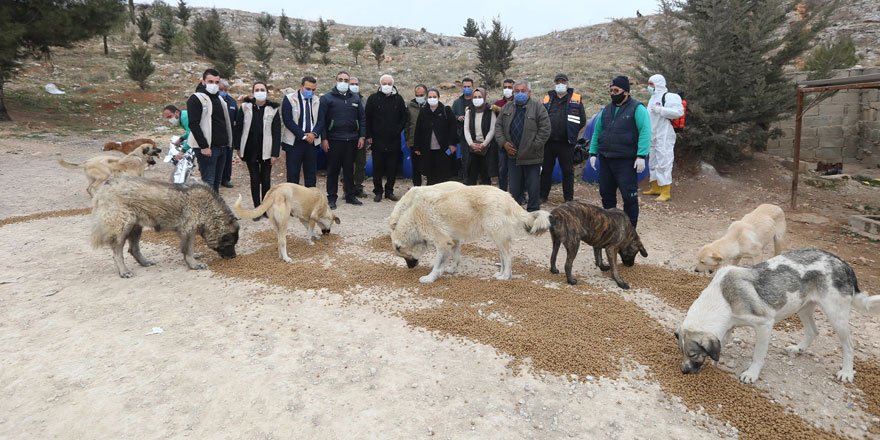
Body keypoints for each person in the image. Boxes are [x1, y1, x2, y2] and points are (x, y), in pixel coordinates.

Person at [588, 75, 651, 227]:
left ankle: (630, 229)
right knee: (606, 194)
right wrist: (593, 153)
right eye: (611, 90)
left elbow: (645, 131)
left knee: (629, 196)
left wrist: (641, 155)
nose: (613, 93)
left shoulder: (637, 108)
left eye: (616, 90)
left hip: (626, 160)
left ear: (626, 92)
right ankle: (611, 226)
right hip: (606, 158)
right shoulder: (606, 110)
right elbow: (597, 131)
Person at [495, 80, 551, 212]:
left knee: (533, 188)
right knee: (514, 189)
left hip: (532, 157)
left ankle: (533, 214)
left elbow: (545, 129)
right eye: (517, 91)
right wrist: (504, 143)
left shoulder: (538, 108)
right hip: (512, 156)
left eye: (523, 91)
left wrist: (533, 146)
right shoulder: (506, 108)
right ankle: (516, 214)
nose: (520, 94)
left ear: (529, 93)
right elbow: (498, 127)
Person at [317, 71, 366, 209]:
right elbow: (322, 120)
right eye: (341, 79)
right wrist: (324, 139)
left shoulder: (355, 98)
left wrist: (361, 136)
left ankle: (350, 195)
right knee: (333, 169)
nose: (343, 82)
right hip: (334, 140)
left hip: (351, 139)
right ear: (336, 80)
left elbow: (362, 118)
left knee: (349, 169)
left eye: (346, 80)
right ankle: (332, 197)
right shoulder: (327, 99)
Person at [233, 82, 281, 218]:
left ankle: (265, 209)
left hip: (266, 148)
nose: (260, 92)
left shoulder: (273, 109)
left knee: (266, 180)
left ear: (267, 92)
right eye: (257, 90)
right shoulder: (245, 107)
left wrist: (275, 153)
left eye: (262, 89)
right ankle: (256, 210)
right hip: (249, 149)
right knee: (254, 179)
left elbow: (276, 132)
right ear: (253, 92)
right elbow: (238, 128)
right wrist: (237, 147)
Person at [186, 68, 233, 192]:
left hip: (222, 147)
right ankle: (207, 210)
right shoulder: (196, 99)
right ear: (203, 81)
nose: (214, 85)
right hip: (208, 148)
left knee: (216, 183)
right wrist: (204, 146)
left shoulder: (219, 99)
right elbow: (194, 124)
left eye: (216, 82)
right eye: (210, 81)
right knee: (208, 183)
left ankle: (215, 210)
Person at [541, 73, 586, 203]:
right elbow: (541, 116)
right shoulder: (547, 98)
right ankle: (542, 196)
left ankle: (568, 198)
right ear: (554, 83)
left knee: (568, 171)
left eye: (563, 81)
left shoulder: (576, 98)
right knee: (546, 170)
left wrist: (572, 131)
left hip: (566, 142)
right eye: (558, 81)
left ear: (567, 83)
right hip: (548, 142)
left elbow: (582, 119)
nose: (560, 84)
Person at [365, 74, 408, 202]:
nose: (387, 86)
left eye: (389, 84)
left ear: (393, 85)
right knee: (377, 167)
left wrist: (397, 130)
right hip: (377, 139)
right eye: (384, 83)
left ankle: (389, 191)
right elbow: (367, 118)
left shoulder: (398, 99)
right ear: (380, 84)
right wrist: (369, 135)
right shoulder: (373, 99)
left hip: (393, 140)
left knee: (392, 167)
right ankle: (378, 191)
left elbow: (403, 118)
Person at [642, 74, 684, 202]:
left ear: (658, 84)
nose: (649, 87)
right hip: (653, 134)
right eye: (649, 84)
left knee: (664, 160)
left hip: (664, 134)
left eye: (651, 84)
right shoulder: (652, 98)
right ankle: (655, 187)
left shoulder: (670, 97)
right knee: (653, 161)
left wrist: (661, 110)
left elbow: (678, 112)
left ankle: (665, 191)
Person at [281, 76, 322, 187]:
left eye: (313, 90)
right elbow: (288, 120)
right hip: (294, 142)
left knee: (311, 175)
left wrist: (313, 134)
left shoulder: (317, 100)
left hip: (312, 142)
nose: (311, 92)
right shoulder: (289, 99)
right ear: (301, 87)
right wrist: (303, 136)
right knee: (293, 175)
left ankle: (309, 201)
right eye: (308, 89)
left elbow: (321, 120)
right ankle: (293, 202)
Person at [413, 88, 458, 185]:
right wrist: (417, 147)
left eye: (434, 97)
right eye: (430, 97)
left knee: (443, 174)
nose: (432, 98)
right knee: (430, 174)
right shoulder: (423, 112)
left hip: (443, 149)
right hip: (427, 149)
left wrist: (452, 143)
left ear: (438, 97)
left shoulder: (446, 111)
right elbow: (418, 130)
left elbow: (453, 128)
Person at [463, 88, 496, 185]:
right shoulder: (469, 111)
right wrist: (471, 144)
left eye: (480, 97)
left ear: (484, 97)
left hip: (487, 149)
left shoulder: (490, 110)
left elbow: (492, 129)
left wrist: (484, 144)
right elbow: (466, 129)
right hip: (472, 148)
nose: (477, 99)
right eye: (475, 97)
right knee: (471, 177)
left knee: (486, 177)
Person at [492, 78, 515, 191]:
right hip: (502, 142)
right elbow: (496, 125)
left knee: (517, 169)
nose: (507, 89)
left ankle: (519, 193)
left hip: (516, 141)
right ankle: (502, 191)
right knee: (502, 169)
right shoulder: (497, 104)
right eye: (505, 87)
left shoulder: (519, 102)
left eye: (510, 87)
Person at [451, 77, 475, 181]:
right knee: (464, 157)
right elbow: (452, 116)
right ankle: (465, 177)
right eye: (465, 86)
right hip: (462, 134)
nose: (467, 88)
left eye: (469, 86)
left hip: (475, 133)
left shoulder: (477, 100)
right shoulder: (457, 102)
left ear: (473, 87)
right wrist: (458, 117)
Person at [349, 76, 369, 198]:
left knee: (361, 163)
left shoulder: (364, 100)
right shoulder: (342, 99)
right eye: (351, 83)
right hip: (346, 136)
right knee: (346, 164)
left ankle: (358, 187)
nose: (354, 86)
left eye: (356, 83)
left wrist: (364, 136)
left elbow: (366, 119)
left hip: (361, 136)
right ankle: (347, 187)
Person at [405, 84, 428, 186]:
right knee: (416, 167)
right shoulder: (410, 106)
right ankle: (417, 187)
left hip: (428, 142)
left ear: (426, 94)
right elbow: (407, 124)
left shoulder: (430, 105)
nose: (419, 97)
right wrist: (407, 139)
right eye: (417, 95)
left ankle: (430, 187)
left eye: (421, 95)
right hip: (414, 141)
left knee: (428, 165)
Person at [219, 78, 238, 188]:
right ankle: (216, 178)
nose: (223, 92)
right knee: (217, 158)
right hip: (216, 136)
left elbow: (237, 120)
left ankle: (226, 179)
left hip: (229, 135)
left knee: (227, 158)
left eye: (225, 89)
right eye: (220, 89)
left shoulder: (232, 102)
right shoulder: (213, 101)